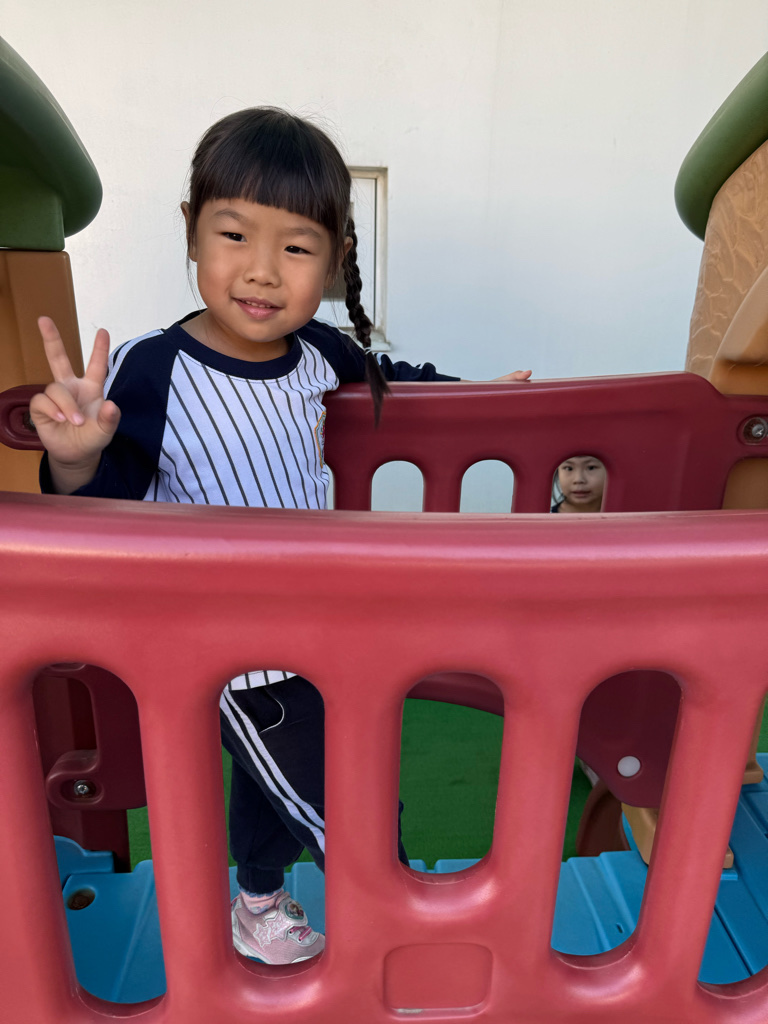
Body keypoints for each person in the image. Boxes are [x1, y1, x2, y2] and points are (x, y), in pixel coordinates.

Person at [30, 107, 531, 966]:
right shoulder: (155, 369)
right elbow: (108, 503)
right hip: (235, 651)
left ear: (333, 263)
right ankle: (409, 934)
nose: (261, 270)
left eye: (296, 248)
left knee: (280, 783)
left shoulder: (316, 351)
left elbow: (396, 380)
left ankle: (258, 904)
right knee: (349, 804)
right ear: (192, 234)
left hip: (320, 628)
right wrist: (75, 460)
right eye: (234, 235)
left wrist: (479, 395)